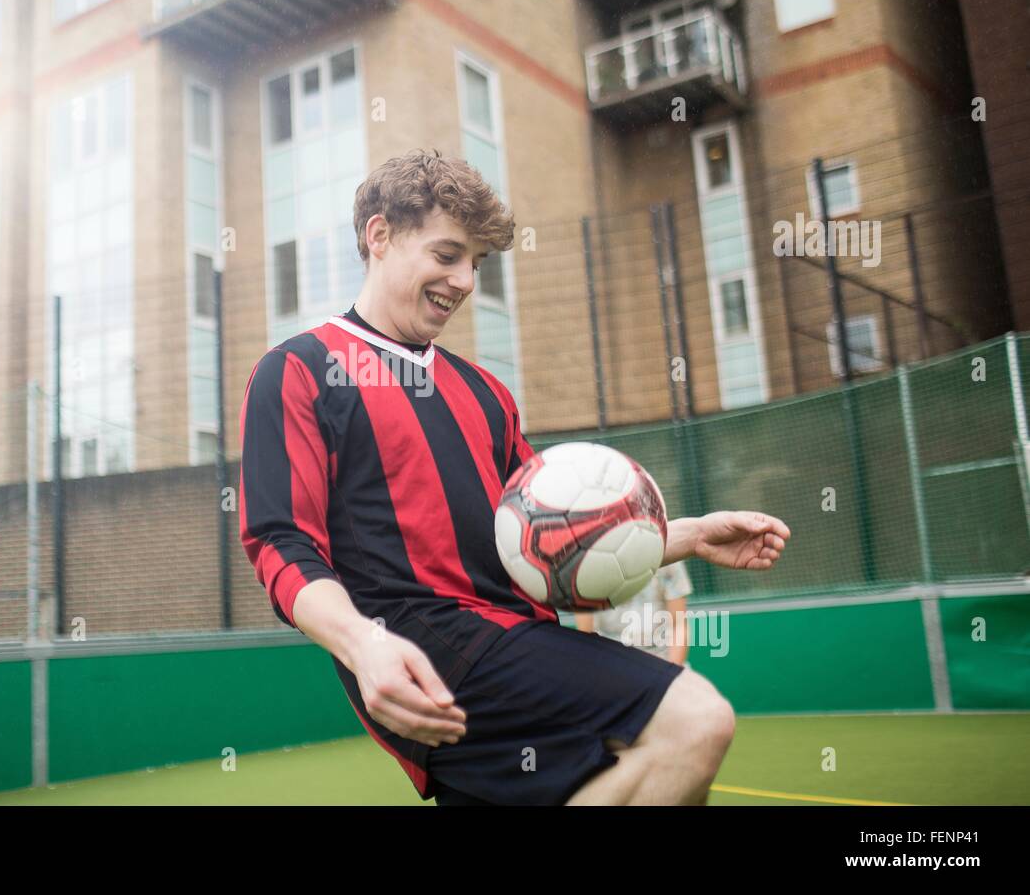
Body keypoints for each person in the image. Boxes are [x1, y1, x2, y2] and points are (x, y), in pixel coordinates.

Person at [238, 149, 789, 806]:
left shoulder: (485, 394)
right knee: (694, 720)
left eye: (477, 262)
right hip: (426, 650)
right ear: (378, 236)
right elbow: (281, 542)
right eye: (447, 255)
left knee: (630, 766)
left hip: (516, 642)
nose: (466, 280)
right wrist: (364, 645)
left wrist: (692, 534)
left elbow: (554, 538)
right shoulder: (299, 368)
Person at [575, 562, 694, 666]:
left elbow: (678, 625)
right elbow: (585, 634)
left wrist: (670, 674)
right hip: (608, 661)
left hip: (660, 659)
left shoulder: (667, 557)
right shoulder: (588, 563)